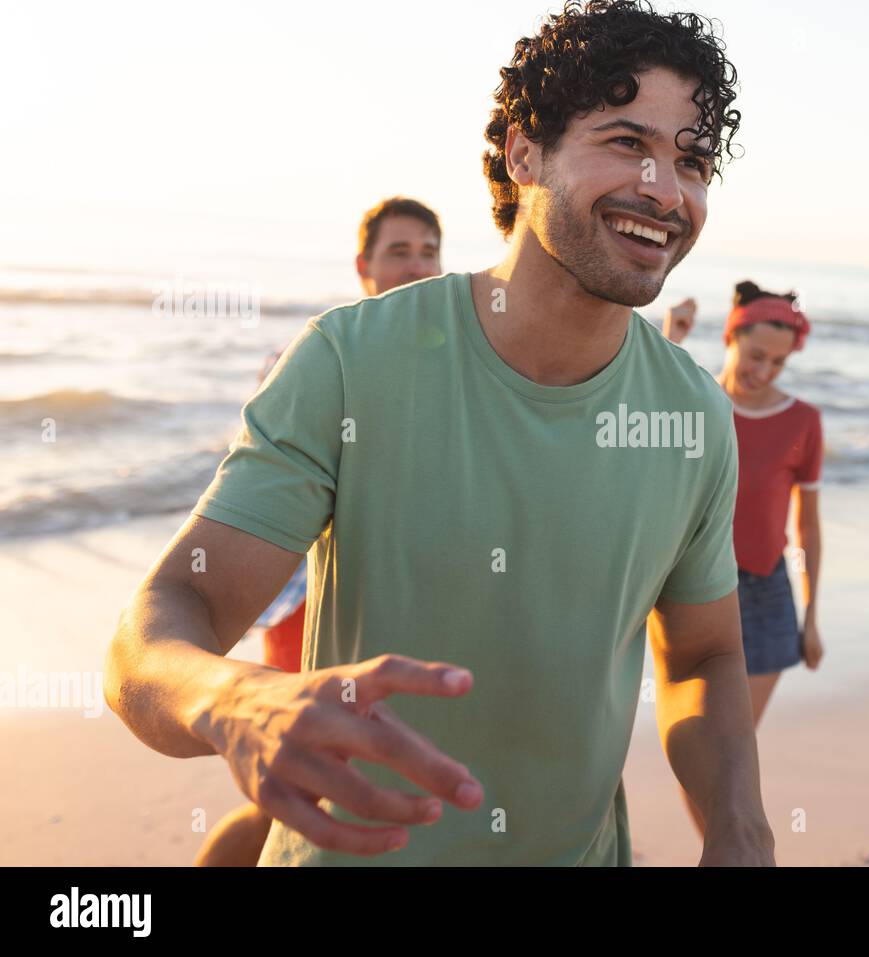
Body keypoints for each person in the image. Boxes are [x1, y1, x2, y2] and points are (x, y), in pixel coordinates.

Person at [106, 0, 776, 866]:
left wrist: (740, 828)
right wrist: (236, 700)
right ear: (524, 152)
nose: (663, 187)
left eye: (690, 160)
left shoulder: (692, 415)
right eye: (626, 141)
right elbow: (152, 635)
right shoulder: (350, 359)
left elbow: (703, 657)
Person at [193, 197, 443, 866]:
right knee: (291, 792)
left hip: (398, 600)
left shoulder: (449, 360)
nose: (418, 266)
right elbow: (268, 485)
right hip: (309, 600)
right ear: (364, 267)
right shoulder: (317, 353)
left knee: (366, 777)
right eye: (400, 252)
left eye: (428, 251)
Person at [662, 282, 824, 839]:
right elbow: (640, 434)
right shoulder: (696, 399)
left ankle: (725, 849)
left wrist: (812, 616)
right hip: (690, 592)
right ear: (731, 337)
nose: (766, 370)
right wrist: (669, 338)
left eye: (778, 362)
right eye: (756, 355)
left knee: (732, 753)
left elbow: (806, 525)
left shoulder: (803, 421)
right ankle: (728, 849)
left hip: (768, 595)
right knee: (697, 747)